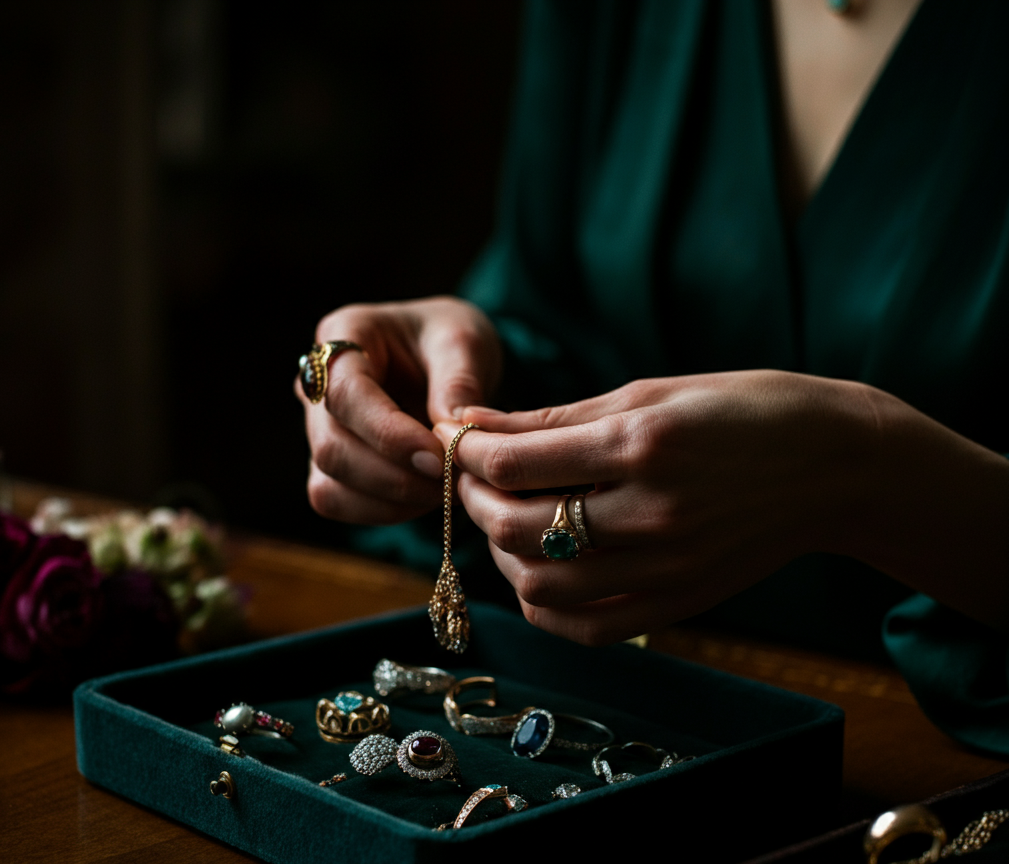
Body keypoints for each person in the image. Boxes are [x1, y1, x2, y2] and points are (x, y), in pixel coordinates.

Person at [297, 0, 1009, 753]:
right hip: (637, 718)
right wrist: (459, 380)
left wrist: (867, 474)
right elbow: (557, 311)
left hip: (938, 755)